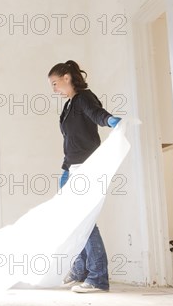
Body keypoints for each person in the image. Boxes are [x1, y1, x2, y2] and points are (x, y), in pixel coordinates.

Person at [47, 60, 121, 293]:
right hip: (72, 168)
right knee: (74, 221)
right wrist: (66, 170)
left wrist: (110, 121)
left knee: (86, 221)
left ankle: (98, 278)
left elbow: (97, 114)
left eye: (55, 83)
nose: (54, 89)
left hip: (86, 168)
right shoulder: (69, 104)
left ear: (67, 77)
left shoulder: (84, 98)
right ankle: (81, 270)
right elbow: (71, 140)